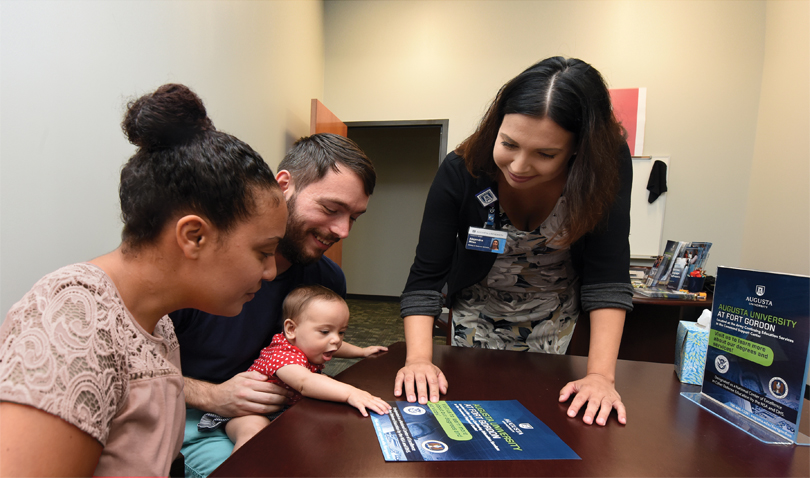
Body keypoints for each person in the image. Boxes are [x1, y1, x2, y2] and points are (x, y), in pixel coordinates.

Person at [0, 83, 287, 476]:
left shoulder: (159, 322)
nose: (270, 271)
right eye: (263, 252)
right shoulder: (72, 324)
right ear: (194, 236)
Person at [395, 57, 633, 427]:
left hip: (555, 316)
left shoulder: (605, 167)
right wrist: (419, 361)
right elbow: (426, 278)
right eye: (509, 144)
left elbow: (608, 275)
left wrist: (601, 377)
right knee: (471, 415)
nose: (519, 166)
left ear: (577, 151)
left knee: (544, 418)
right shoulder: (462, 169)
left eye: (545, 154)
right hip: (477, 308)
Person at [170, 133, 376, 477]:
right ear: (283, 186)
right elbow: (132, 371)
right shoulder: (195, 268)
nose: (343, 231)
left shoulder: (327, 282)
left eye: (354, 217)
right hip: (195, 413)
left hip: (280, 410)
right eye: (330, 209)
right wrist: (211, 395)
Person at [202, 284, 391, 453]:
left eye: (341, 331)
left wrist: (362, 351)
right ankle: (239, 471)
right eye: (325, 331)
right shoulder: (282, 354)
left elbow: (339, 346)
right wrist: (351, 393)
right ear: (291, 329)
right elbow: (305, 382)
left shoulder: (312, 342)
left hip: (284, 407)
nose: (336, 339)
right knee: (254, 434)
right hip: (250, 411)